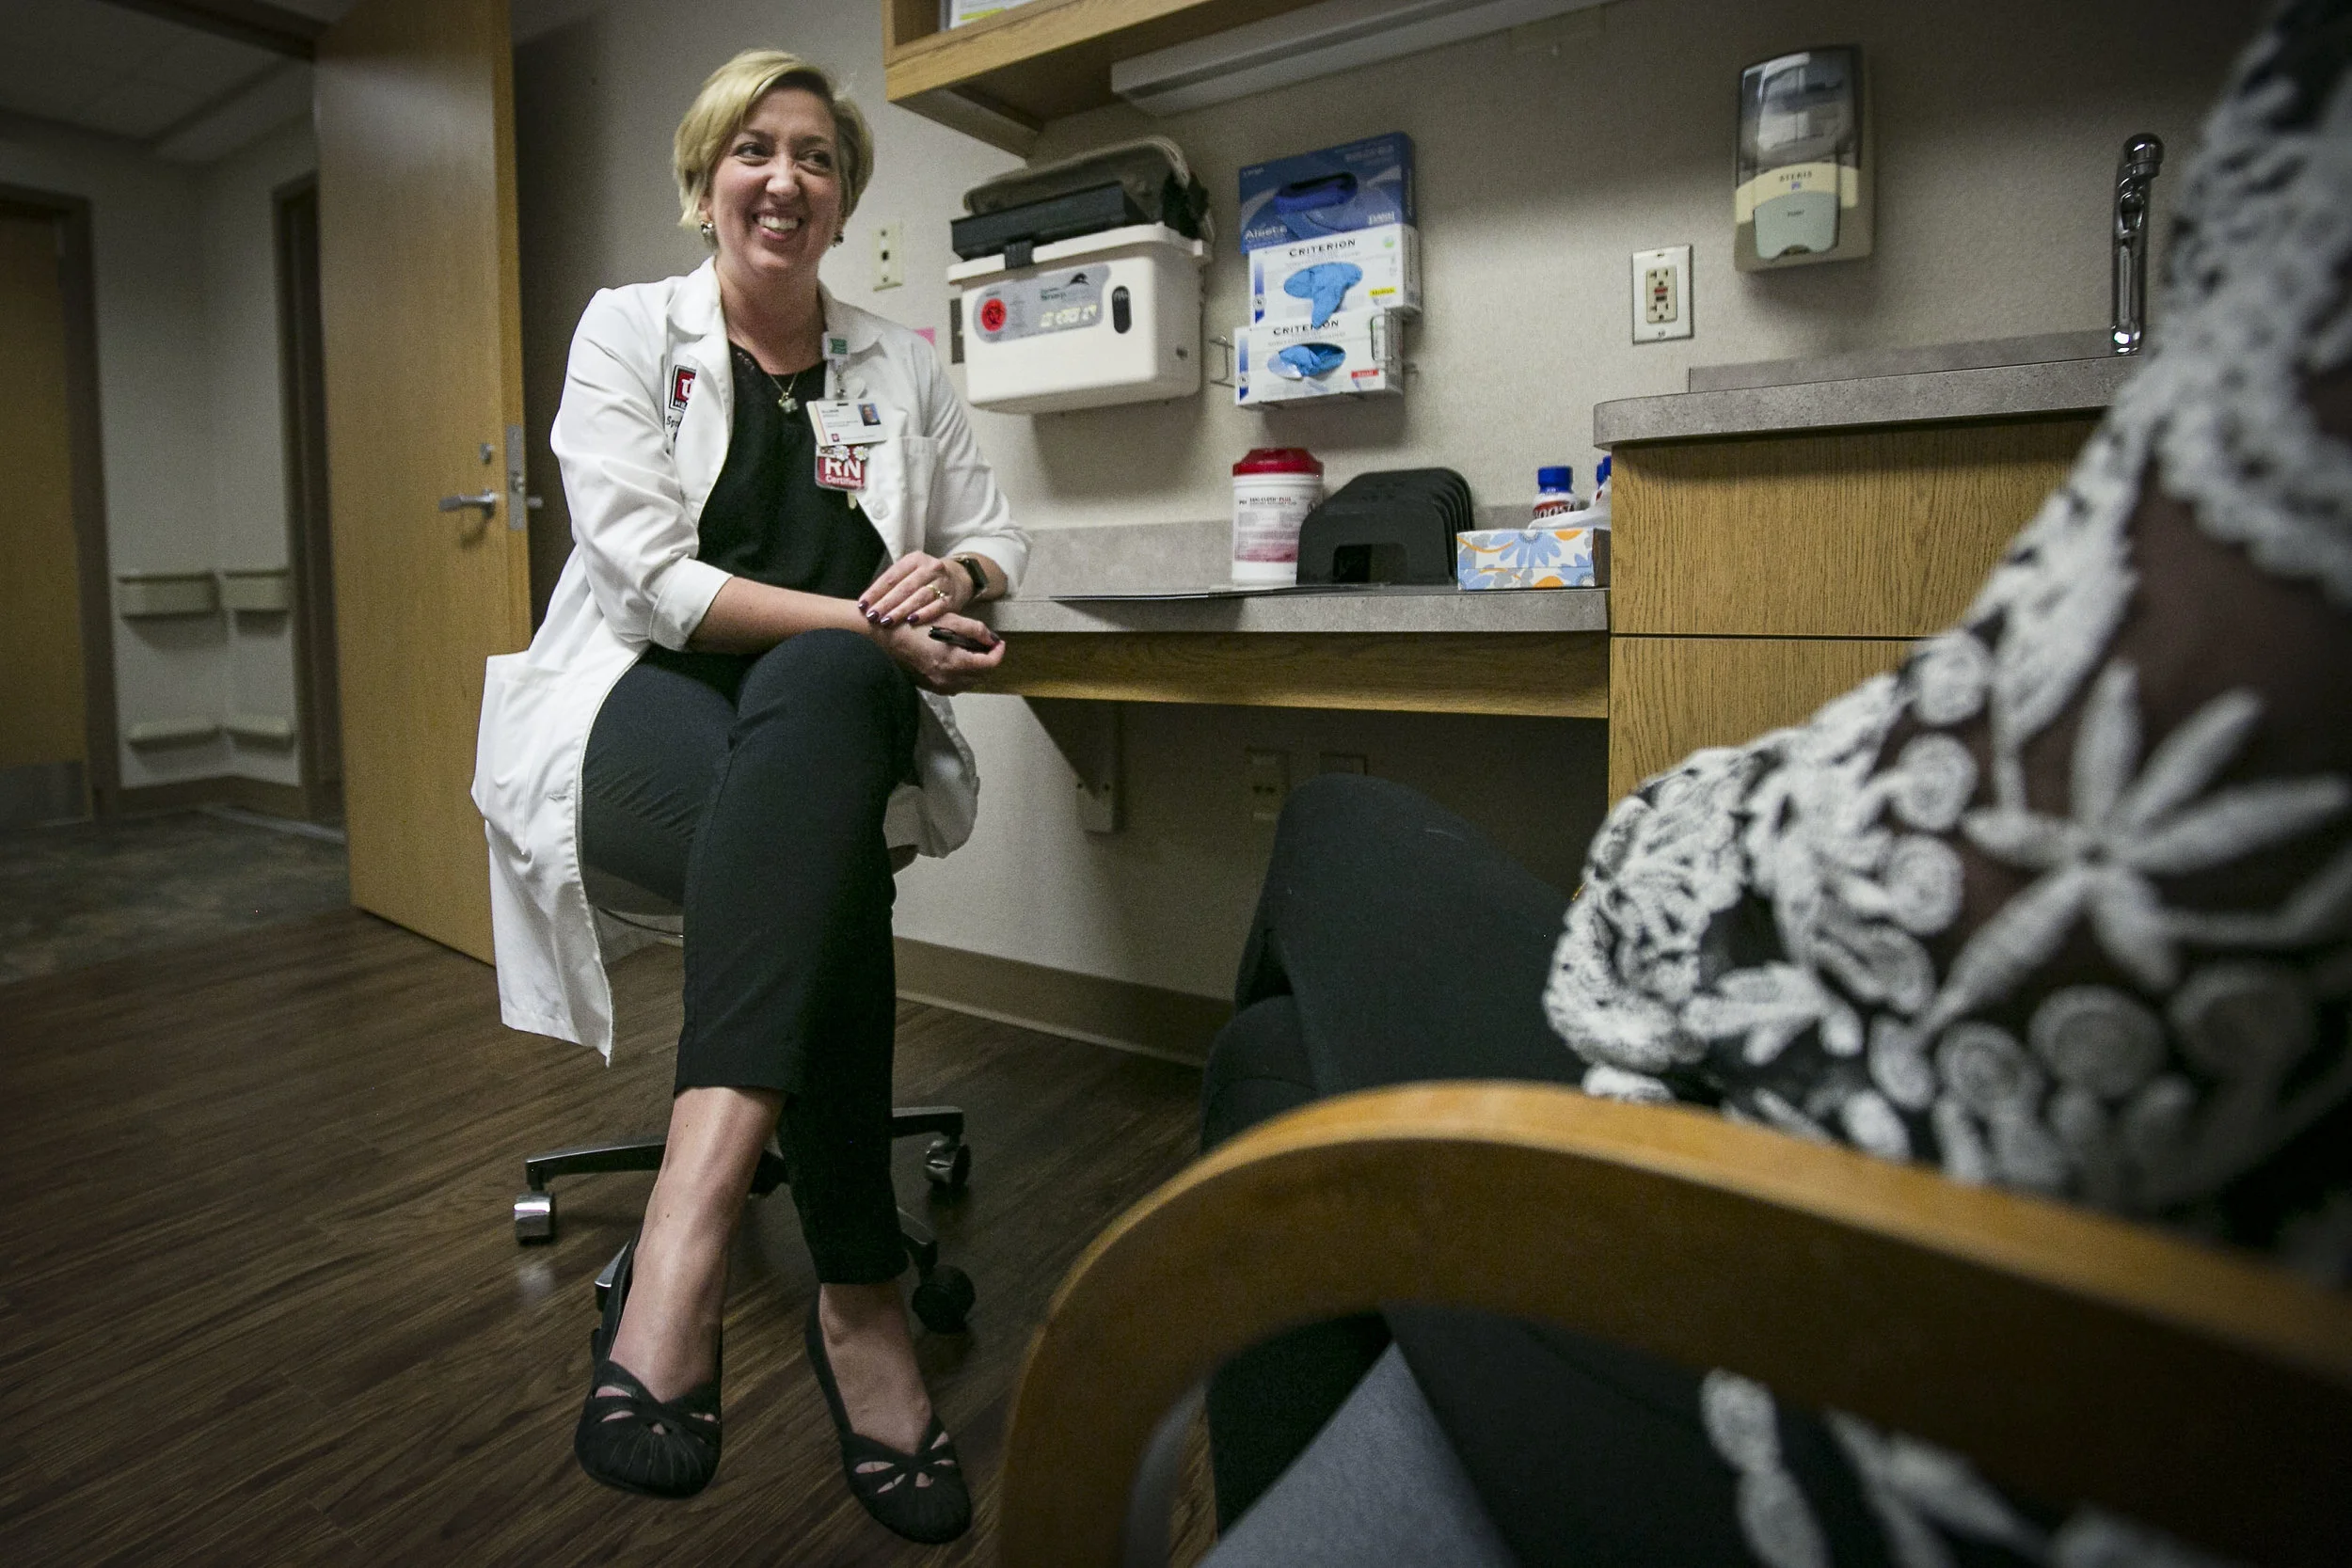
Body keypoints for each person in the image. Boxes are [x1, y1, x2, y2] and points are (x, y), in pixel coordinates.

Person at [1196, 4, 2352, 1564]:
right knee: (1273, 1070)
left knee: (1337, 841)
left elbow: (2069, 836)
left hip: (1912, 1379)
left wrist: (1674, 840)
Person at [470, 49, 1026, 1543]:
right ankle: (857, 1297)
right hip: (642, 718)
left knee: (833, 719)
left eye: (820, 159)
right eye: (755, 151)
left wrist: (956, 583)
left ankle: (688, 1246)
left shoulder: (900, 360)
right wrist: (872, 625)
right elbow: (647, 586)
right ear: (707, 178)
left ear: (844, 199)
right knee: (836, 745)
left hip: (825, 725)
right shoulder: (625, 332)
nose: (786, 180)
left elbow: (990, 535)